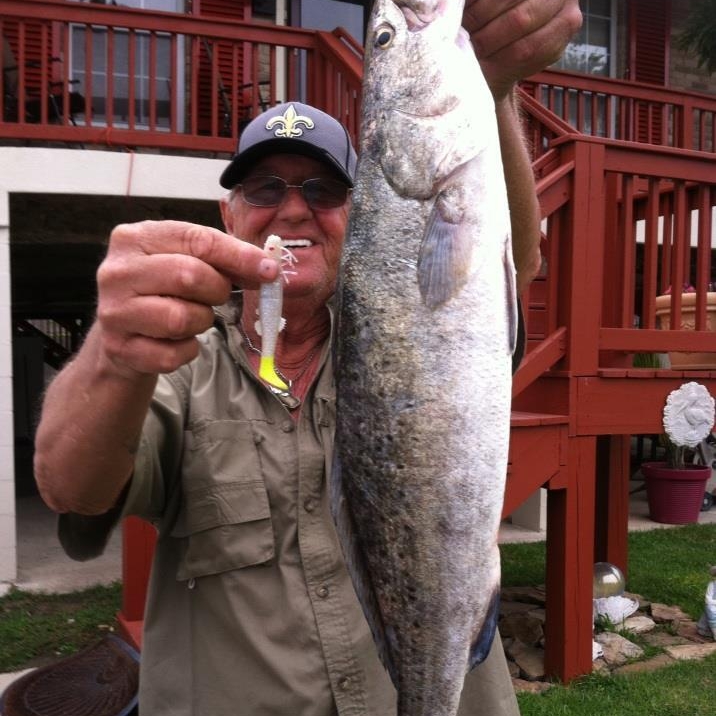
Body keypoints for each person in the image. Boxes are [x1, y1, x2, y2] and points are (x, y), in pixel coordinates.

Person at [33, 1, 582, 714]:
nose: (293, 210)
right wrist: (111, 357)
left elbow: (511, 256)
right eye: (266, 188)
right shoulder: (176, 370)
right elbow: (71, 487)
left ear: (361, 214)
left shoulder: (408, 319)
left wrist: (494, 85)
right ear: (228, 215)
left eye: (322, 189)